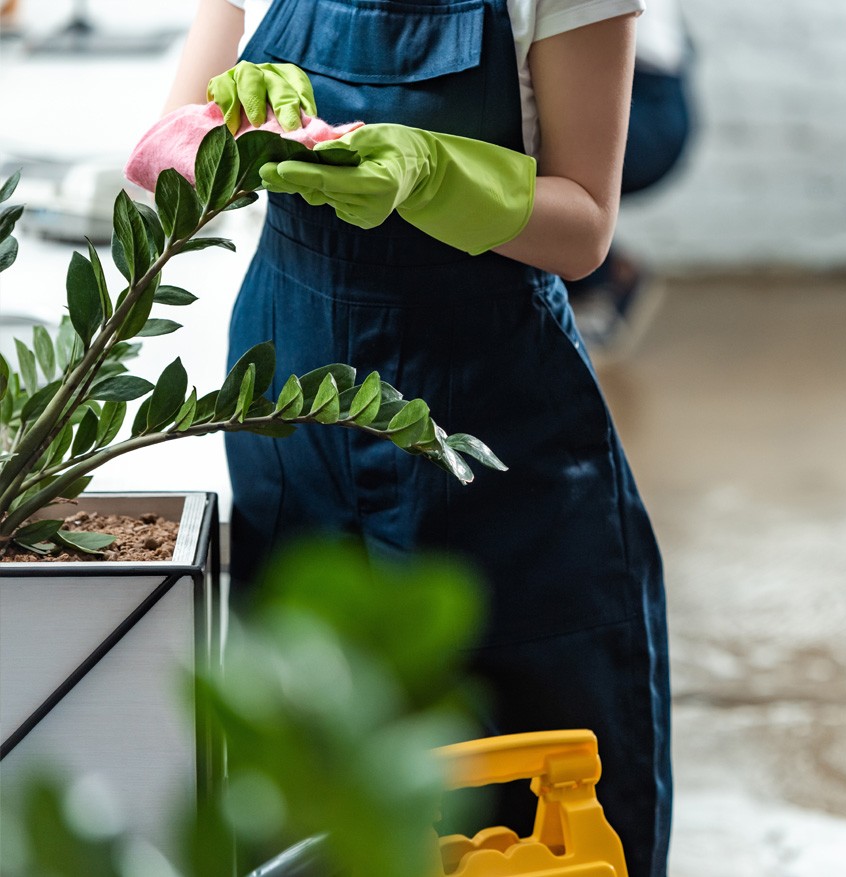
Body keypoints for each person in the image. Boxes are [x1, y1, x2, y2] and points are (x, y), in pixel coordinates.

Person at [162, 2, 672, 875]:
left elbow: (585, 223)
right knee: (309, 765)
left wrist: (436, 172)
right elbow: (163, 156)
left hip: (486, 416)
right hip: (292, 394)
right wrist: (220, 132)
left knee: (528, 775)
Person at [568, 0, 695, 356]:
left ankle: (597, 282)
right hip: (647, 94)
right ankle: (607, 273)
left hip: (650, 105)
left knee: (529, 149)